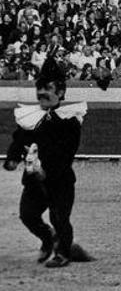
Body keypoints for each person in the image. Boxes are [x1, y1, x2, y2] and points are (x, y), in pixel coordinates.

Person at [3, 55, 87, 267]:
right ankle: (49, 239)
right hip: (34, 180)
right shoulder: (30, 117)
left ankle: (64, 253)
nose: (42, 93)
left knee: (59, 218)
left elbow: (66, 152)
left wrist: (46, 171)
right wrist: (12, 159)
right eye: (39, 88)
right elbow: (18, 140)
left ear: (60, 92)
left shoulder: (69, 120)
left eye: (47, 88)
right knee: (28, 215)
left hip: (59, 180)